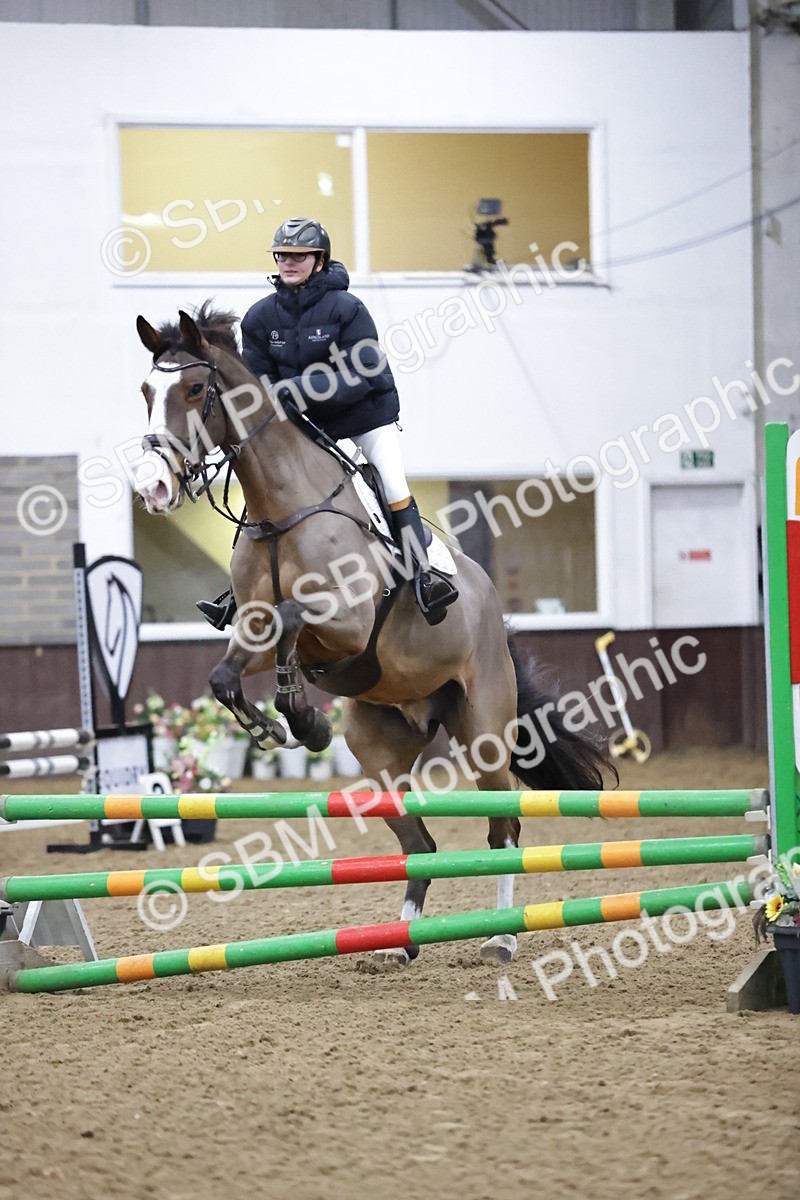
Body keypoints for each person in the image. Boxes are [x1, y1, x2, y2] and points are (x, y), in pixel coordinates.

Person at [197, 216, 457, 629]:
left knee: (391, 484)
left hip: (362, 416)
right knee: (267, 490)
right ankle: (238, 592)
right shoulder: (260, 317)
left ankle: (424, 576)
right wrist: (280, 397)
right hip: (301, 425)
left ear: (319, 261)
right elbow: (261, 384)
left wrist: (295, 389)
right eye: (282, 255)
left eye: (299, 256)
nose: (288, 262)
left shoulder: (349, 309)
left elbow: (362, 374)